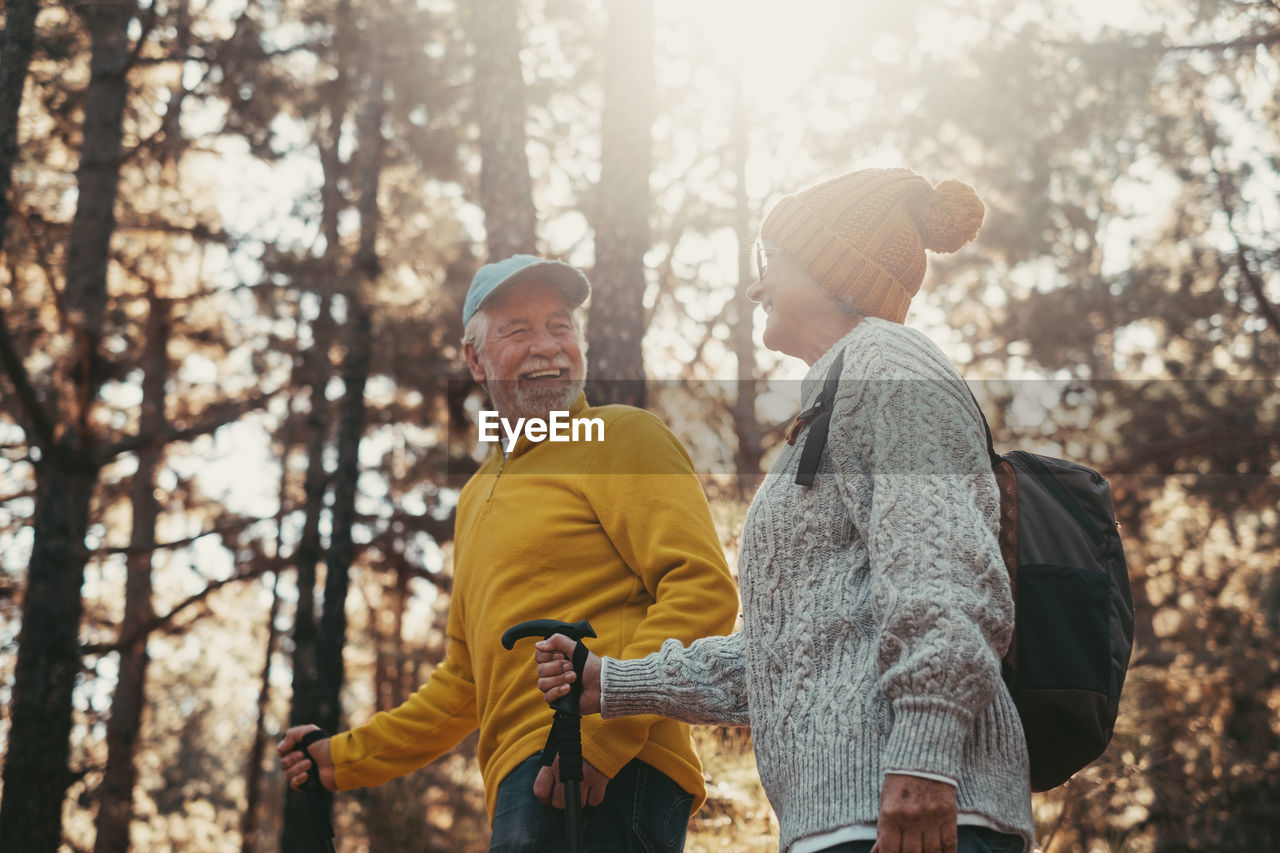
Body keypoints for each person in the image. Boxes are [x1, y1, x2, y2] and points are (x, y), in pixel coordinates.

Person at [535, 170, 1036, 853]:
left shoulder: (890, 365)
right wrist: (616, 680)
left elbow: (943, 568)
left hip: (919, 814)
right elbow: (787, 655)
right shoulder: (831, 404)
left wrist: (923, 751)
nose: (755, 286)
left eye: (770, 263)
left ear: (834, 272)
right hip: (848, 821)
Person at [278, 254, 739, 852]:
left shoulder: (622, 436)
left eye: (560, 325)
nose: (546, 345)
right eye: (517, 330)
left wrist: (601, 737)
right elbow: (466, 680)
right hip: (522, 782)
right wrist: (340, 760)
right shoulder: (475, 497)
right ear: (475, 359)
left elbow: (702, 591)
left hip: (612, 770)